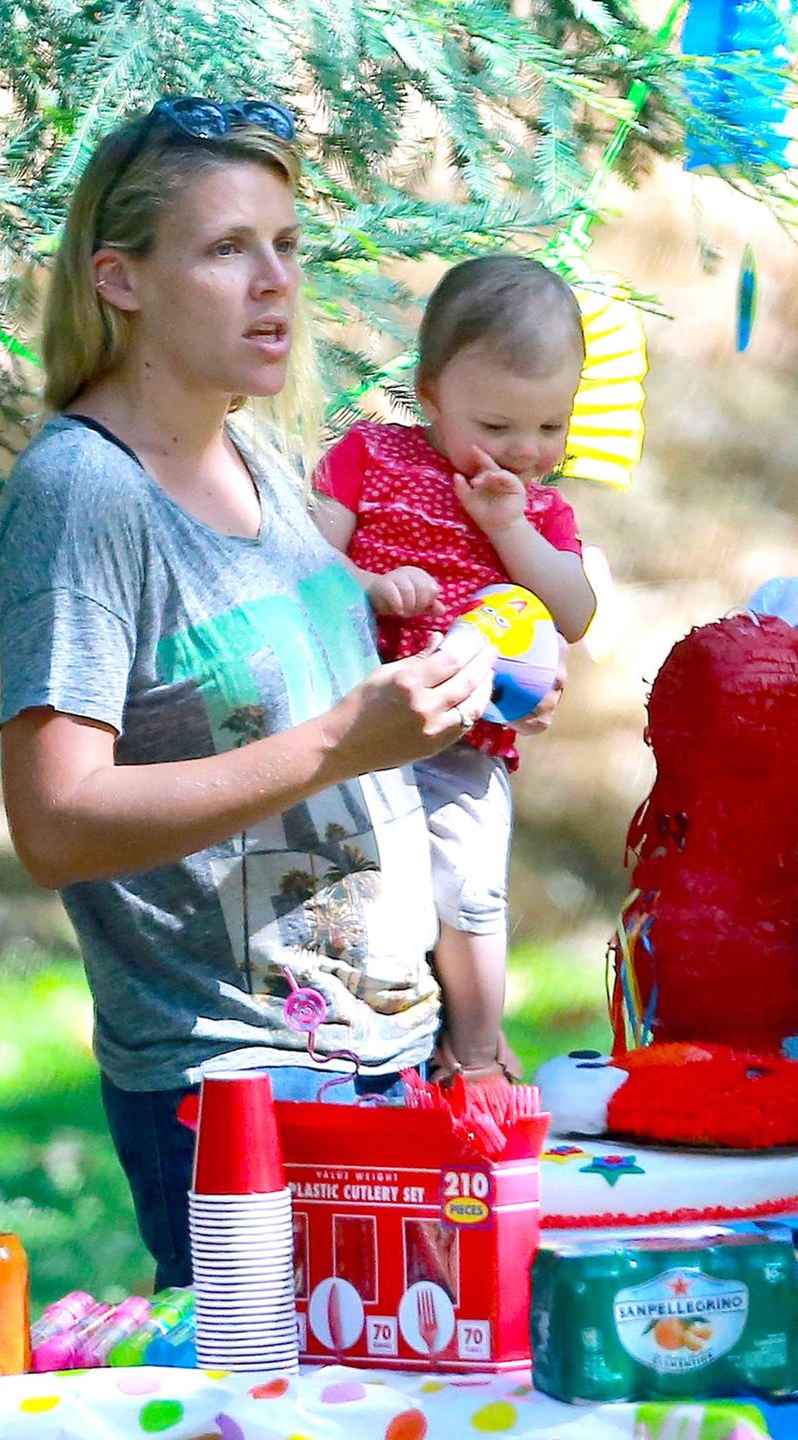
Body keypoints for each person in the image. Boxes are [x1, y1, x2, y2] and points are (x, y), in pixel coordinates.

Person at [0, 95, 495, 1288]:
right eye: (226, 250)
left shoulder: (246, 448)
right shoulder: (83, 496)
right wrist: (338, 742)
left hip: (385, 1051)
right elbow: (54, 823)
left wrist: (449, 686)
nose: (275, 283)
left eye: (286, 246)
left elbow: (298, 711)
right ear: (119, 280)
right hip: (236, 1094)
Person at [313, 253, 596, 1084]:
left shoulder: (541, 508)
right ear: (431, 392)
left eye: (551, 427)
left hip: (466, 744)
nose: (525, 450)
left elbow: (574, 613)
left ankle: (474, 1049)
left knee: (470, 894)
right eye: (499, 425)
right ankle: (364, 1053)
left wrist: (511, 530)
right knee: (367, 905)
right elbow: (302, 566)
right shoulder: (367, 456)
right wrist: (369, 585)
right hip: (355, 728)